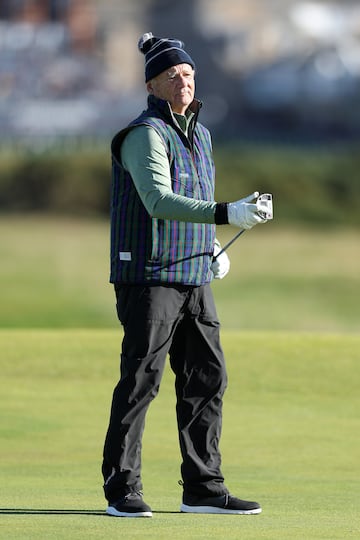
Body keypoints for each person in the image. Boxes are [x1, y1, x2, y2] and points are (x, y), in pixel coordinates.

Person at [102, 32, 269, 518]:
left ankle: (202, 488)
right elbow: (158, 201)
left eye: (189, 74)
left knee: (207, 377)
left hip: (193, 274)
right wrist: (225, 213)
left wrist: (210, 245)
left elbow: (191, 195)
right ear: (152, 85)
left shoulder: (201, 133)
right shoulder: (145, 134)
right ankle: (122, 489)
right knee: (141, 380)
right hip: (149, 276)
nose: (184, 82)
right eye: (173, 76)